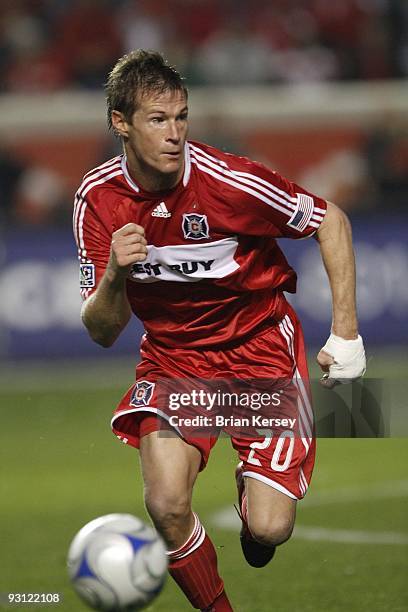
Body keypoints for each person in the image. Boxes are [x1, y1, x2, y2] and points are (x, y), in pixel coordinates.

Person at [73, 50, 366, 611]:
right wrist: (114, 272)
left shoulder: (229, 181)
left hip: (259, 354)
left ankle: (253, 507)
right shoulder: (97, 200)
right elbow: (101, 330)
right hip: (175, 361)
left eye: (181, 117)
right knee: (165, 504)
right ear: (120, 122)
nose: (175, 132)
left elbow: (330, 219)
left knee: (271, 529)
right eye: (158, 120)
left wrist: (346, 332)